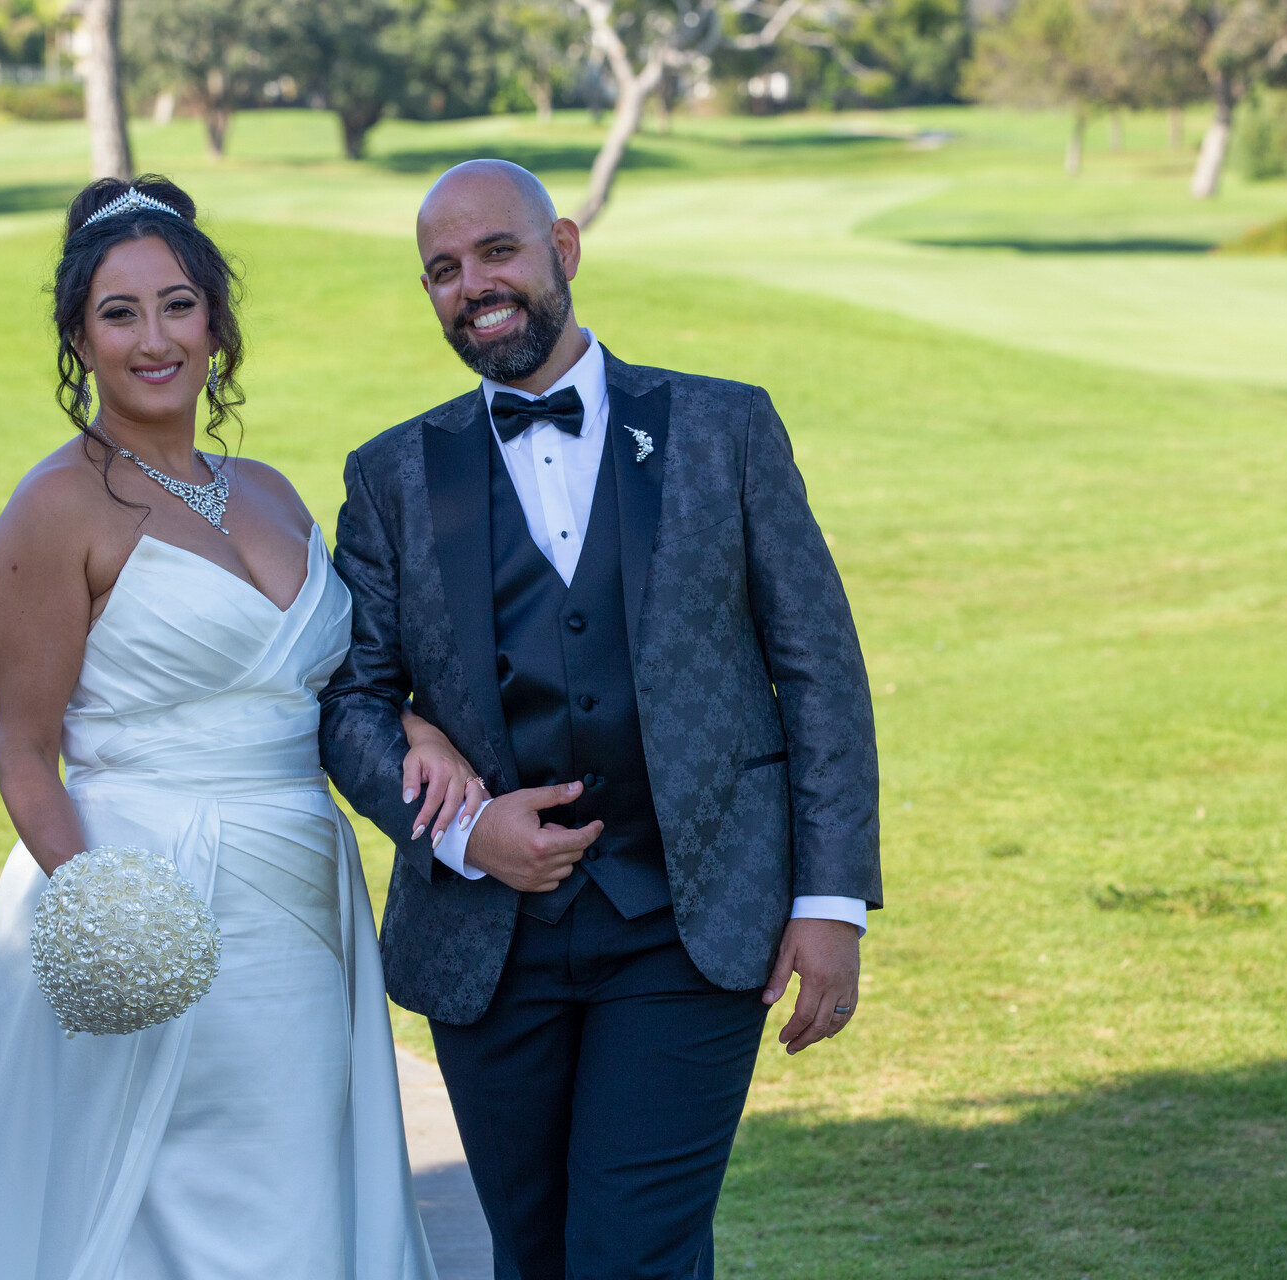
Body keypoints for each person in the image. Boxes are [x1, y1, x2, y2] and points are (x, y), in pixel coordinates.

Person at [319, 159, 882, 1279]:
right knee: (533, 1253)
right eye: (441, 269)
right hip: (486, 945)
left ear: (563, 249)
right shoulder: (390, 474)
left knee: (632, 1252)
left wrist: (830, 898)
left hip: (689, 919)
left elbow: (818, 668)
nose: (472, 284)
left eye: (497, 252)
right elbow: (348, 701)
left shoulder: (725, 429)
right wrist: (463, 833)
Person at [0, 175, 481, 1280]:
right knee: (184, 1197)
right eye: (120, 312)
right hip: (144, 889)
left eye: (180, 304)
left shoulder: (273, 491)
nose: (156, 338)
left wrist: (416, 724)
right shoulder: (53, 509)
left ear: (218, 324)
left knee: (300, 1170)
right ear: (79, 340)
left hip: (300, 886)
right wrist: (110, 917)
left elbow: (338, 680)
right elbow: (21, 749)